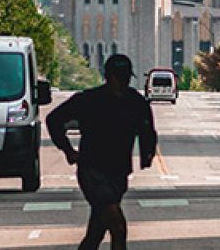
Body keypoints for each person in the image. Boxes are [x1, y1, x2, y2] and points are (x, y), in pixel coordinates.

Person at [46, 54, 158, 250]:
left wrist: (147, 154)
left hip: (118, 174)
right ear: (108, 76)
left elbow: (147, 130)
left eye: (126, 77)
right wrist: (67, 150)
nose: (123, 82)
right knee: (118, 226)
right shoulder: (89, 99)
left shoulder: (136, 102)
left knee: (96, 233)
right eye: (119, 77)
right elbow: (54, 120)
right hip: (93, 172)